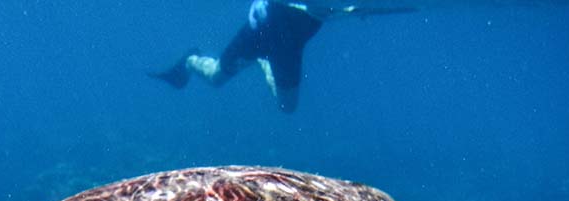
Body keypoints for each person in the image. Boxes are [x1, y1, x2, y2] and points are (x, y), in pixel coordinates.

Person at [151, 2, 414, 113]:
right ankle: (190, 60)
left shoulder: (329, 6)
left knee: (288, 107)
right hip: (259, 33)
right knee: (216, 77)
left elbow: (346, 9)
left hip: (288, 45)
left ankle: (264, 62)